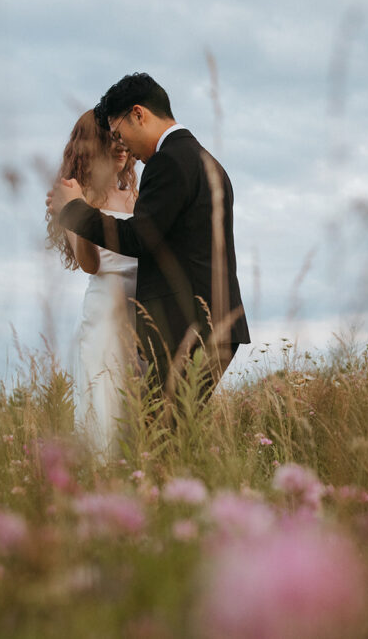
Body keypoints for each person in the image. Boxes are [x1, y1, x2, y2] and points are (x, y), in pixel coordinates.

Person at [47, 73, 250, 405]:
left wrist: (75, 210)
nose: (121, 143)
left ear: (138, 114)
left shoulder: (168, 161)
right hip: (209, 325)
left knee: (162, 439)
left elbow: (139, 238)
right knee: (169, 433)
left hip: (188, 327)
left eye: (119, 132)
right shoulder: (204, 159)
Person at [46, 111, 139, 457]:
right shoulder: (76, 195)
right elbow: (89, 264)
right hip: (105, 314)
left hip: (143, 311)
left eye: (121, 137)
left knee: (141, 405)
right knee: (107, 407)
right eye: (109, 139)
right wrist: (80, 212)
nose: (120, 146)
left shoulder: (136, 197)